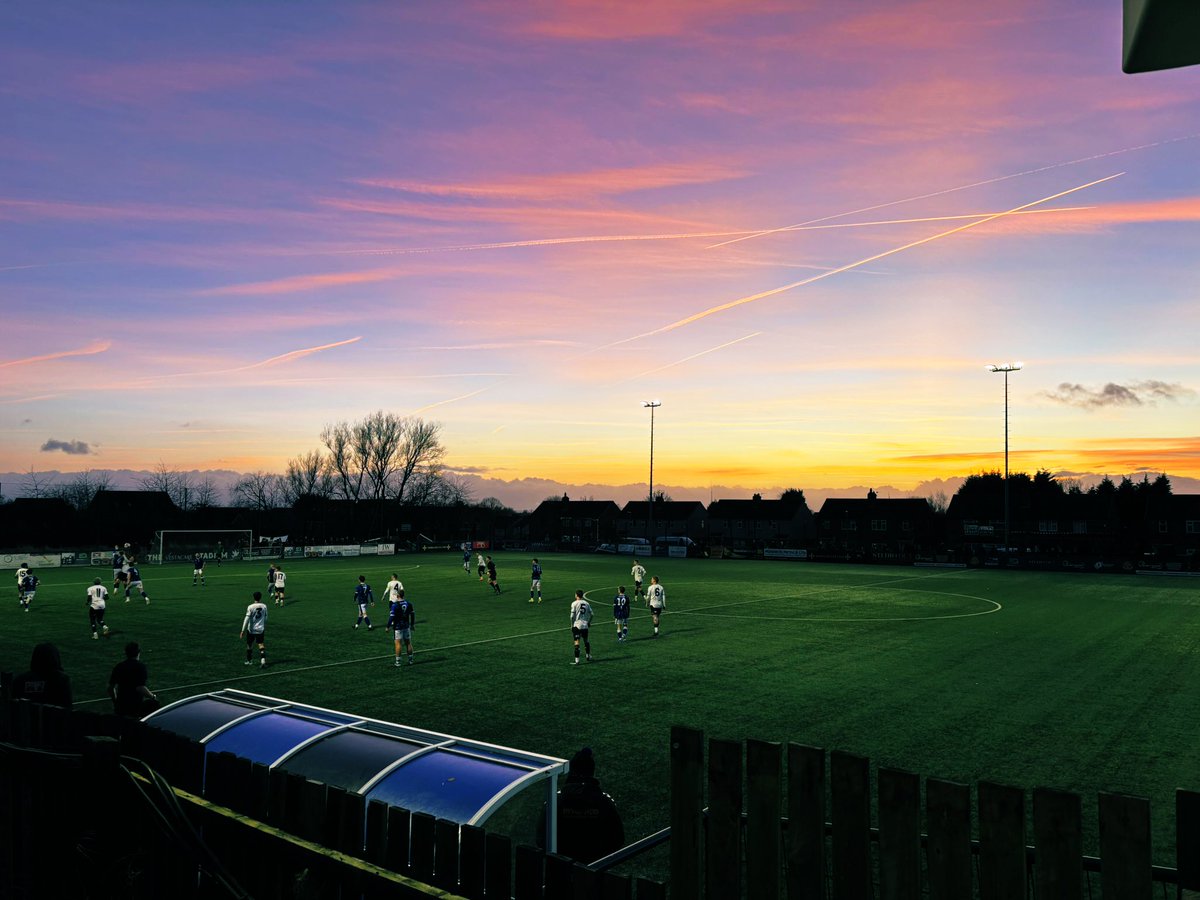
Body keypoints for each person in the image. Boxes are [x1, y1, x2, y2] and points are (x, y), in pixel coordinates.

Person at [553, 747, 624, 862]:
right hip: (594, 868)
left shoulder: (556, 801)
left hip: (562, 868)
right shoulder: (605, 802)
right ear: (592, 772)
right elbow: (617, 839)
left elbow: (542, 838)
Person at [13, 642, 72, 709]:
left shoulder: (19, 680)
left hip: (25, 718)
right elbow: (67, 708)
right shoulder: (61, 680)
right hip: (52, 718)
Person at [108, 641, 159, 717]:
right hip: (135, 707)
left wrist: (116, 702)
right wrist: (152, 696)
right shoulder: (140, 666)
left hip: (121, 706)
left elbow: (111, 688)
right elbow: (140, 688)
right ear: (138, 652)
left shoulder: (119, 666)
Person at [387, 587, 416, 667]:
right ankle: (411, 660)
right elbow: (412, 615)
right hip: (406, 626)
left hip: (398, 627)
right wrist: (412, 624)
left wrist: (388, 626)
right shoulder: (409, 604)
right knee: (408, 643)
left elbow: (391, 617)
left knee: (398, 644)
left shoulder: (395, 605)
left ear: (398, 595)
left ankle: (398, 662)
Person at [240, 590, 268, 667]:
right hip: (260, 629)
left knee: (249, 645)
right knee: (261, 644)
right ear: (260, 597)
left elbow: (246, 619)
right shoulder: (264, 606)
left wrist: (242, 630)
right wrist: (263, 625)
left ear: (254, 597)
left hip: (251, 630)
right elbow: (266, 617)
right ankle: (263, 661)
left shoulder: (250, 607)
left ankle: (249, 661)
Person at [569, 589, 593, 665]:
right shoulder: (587, 603)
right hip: (585, 625)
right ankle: (588, 656)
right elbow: (592, 614)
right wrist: (589, 622)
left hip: (577, 625)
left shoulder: (574, 603)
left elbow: (572, 616)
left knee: (577, 642)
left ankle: (577, 660)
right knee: (586, 641)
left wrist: (571, 625)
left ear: (576, 595)